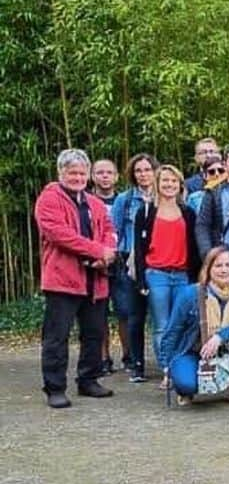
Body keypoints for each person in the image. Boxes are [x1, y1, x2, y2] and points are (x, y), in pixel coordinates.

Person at [35, 149, 118, 408]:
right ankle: (55, 387)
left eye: (82, 173)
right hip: (63, 279)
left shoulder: (94, 202)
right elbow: (59, 233)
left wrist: (105, 255)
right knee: (57, 337)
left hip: (95, 278)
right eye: (72, 173)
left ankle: (89, 379)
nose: (78, 177)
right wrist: (97, 250)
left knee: (94, 333)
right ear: (61, 173)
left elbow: (109, 230)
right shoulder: (49, 198)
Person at [159, 245, 229, 407]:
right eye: (218, 265)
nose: (224, 270)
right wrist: (165, 366)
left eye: (228, 265)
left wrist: (219, 337)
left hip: (226, 347)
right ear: (208, 268)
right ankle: (185, 387)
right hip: (193, 349)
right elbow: (173, 330)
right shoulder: (190, 293)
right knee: (186, 385)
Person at [132, 164, 200, 382]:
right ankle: (166, 370)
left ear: (180, 185)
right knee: (162, 325)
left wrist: (196, 276)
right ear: (157, 184)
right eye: (165, 181)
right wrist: (141, 280)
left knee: (181, 322)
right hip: (156, 274)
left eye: (173, 181)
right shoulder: (145, 211)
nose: (169, 185)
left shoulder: (188, 213)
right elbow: (139, 250)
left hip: (182, 275)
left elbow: (194, 248)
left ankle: (179, 365)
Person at [111, 152, 159, 381]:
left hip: (159, 262)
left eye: (147, 169)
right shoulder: (125, 199)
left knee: (162, 317)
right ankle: (136, 364)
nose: (143, 174)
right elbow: (115, 232)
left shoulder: (166, 196)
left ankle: (167, 364)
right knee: (134, 316)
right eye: (138, 170)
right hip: (131, 265)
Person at [89, 158, 124, 374]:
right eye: (99, 172)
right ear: (93, 176)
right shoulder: (85, 201)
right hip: (94, 261)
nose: (104, 176)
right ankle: (102, 358)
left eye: (109, 172)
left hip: (121, 261)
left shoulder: (126, 200)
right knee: (97, 312)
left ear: (116, 176)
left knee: (125, 311)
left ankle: (129, 356)